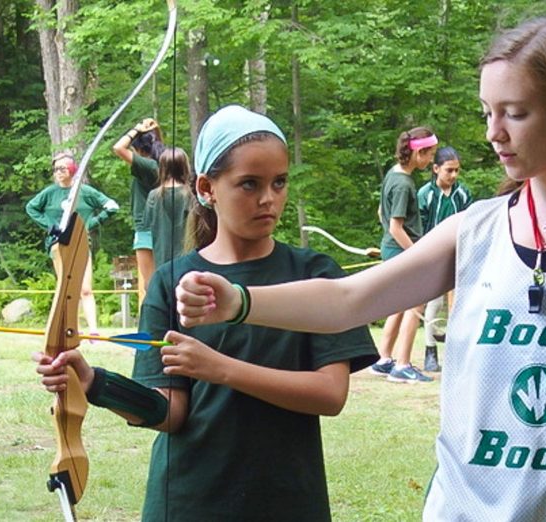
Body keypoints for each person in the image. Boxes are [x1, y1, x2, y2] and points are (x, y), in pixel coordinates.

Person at [173, 17, 546, 520]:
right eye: (487, 111)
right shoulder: (477, 227)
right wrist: (241, 303)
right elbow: (348, 301)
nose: (492, 132)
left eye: (516, 113)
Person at [32, 105, 377, 520]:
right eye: (249, 184)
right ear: (207, 187)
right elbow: (171, 411)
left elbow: (329, 394)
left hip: (285, 500)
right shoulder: (170, 280)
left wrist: (221, 368)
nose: (269, 198)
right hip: (188, 501)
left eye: (279, 182)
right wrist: (92, 382)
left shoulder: (313, 273)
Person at [25, 151, 118, 338]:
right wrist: (51, 227)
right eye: (55, 169)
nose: (58, 172)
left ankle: (93, 331)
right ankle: (70, 327)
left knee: (85, 288)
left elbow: (111, 206)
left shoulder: (84, 192)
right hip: (58, 245)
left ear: (72, 170)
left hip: (81, 244)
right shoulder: (50, 193)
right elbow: (31, 208)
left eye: (62, 168)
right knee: (66, 287)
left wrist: (90, 224)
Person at [372, 126, 437, 383]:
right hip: (401, 250)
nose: (432, 159)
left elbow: (380, 213)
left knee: (397, 306)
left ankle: (384, 358)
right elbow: (395, 226)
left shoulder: (393, 174)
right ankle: (402, 365)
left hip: (393, 248)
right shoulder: (403, 184)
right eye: (430, 154)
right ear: (418, 153)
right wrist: (415, 254)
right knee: (414, 305)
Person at [416, 146, 472, 372]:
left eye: (457, 170)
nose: (454, 175)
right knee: (434, 302)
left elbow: (470, 224)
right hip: (433, 256)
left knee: (459, 303)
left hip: (459, 255)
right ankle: (430, 350)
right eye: (449, 170)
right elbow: (418, 227)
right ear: (436, 169)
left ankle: (456, 351)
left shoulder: (463, 193)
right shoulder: (425, 194)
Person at [112, 118, 165, 302]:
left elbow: (118, 148)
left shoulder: (147, 166)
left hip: (145, 228)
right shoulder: (161, 165)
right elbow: (158, 145)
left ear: (139, 149)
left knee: (150, 284)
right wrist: (156, 131)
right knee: (161, 280)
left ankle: (153, 324)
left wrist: (136, 129)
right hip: (159, 225)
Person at [142, 147, 195, 268]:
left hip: (161, 262)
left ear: (162, 168)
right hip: (189, 262)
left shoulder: (153, 196)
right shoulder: (191, 195)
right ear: (184, 167)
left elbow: (146, 228)